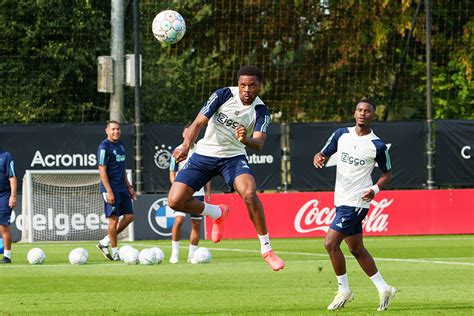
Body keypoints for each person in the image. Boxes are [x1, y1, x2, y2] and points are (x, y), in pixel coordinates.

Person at [167, 65, 285, 271]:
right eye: (243, 85)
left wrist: (245, 138)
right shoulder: (222, 95)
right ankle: (217, 213)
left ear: (259, 86)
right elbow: (198, 123)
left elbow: (258, 144)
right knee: (175, 201)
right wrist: (186, 145)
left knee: (249, 193)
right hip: (204, 155)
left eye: (252, 86)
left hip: (233, 157)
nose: (246, 90)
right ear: (238, 84)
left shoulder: (262, 111)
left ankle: (266, 249)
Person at [313, 99, 396, 311]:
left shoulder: (376, 145)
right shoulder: (341, 134)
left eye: (367, 111)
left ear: (372, 116)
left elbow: (387, 173)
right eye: (359, 110)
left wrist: (375, 190)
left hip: (357, 202)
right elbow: (323, 153)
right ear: (354, 113)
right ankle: (384, 287)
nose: (362, 114)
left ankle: (344, 290)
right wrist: (320, 157)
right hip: (340, 199)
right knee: (356, 249)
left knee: (330, 243)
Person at [169, 124, 211, 264]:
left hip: (198, 192)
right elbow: (172, 173)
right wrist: (176, 188)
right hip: (182, 192)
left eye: (192, 133)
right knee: (179, 220)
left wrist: (208, 192)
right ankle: (174, 254)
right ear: (184, 135)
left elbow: (208, 173)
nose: (190, 136)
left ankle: (192, 255)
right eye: (187, 133)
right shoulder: (178, 150)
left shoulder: (201, 150)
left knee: (196, 224)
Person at [96, 121, 137, 261]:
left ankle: (105, 241)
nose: (116, 131)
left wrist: (129, 187)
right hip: (110, 189)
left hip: (122, 188)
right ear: (107, 131)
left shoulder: (120, 146)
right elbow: (102, 170)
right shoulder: (104, 147)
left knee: (129, 217)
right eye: (113, 129)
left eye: (118, 129)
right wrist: (109, 191)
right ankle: (114, 252)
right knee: (114, 220)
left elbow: (122, 168)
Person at [0, 148, 17, 264]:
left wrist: (13, 196)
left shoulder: (5, 156)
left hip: (4, 195)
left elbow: (12, 176)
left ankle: (7, 256)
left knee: (3, 225)